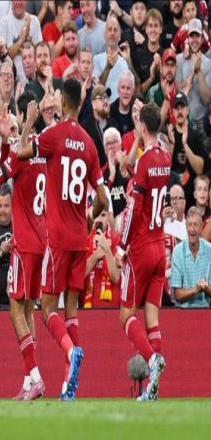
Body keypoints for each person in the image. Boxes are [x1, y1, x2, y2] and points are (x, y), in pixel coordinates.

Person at [17, 78, 108, 400]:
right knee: (72, 310)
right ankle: (70, 384)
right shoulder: (89, 143)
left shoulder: (53, 135)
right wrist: (89, 216)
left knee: (46, 309)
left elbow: (21, 153)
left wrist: (28, 125)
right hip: (80, 238)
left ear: (64, 103)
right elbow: (103, 198)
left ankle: (71, 351)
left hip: (56, 238)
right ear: (80, 103)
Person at [0, 92, 47, 399]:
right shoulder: (41, 148)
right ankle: (28, 380)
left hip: (24, 241)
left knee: (14, 310)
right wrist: (8, 142)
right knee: (29, 310)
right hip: (43, 240)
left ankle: (35, 375)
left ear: (22, 116)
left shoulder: (24, 150)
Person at [115, 103, 171, 402]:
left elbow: (135, 207)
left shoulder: (146, 161)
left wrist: (121, 246)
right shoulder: (164, 157)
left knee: (126, 315)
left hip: (141, 247)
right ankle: (152, 389)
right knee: (152, 319)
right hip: (160, 246)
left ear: (143, 127)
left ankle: (152, 359)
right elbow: (143, 179)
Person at [168, 91, 206, 206]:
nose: (180, 111)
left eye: (182, 107)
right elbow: (164, 169)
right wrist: (171, 144)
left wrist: (185, 144)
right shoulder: (168, 134)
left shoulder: (196, 135)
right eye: (176, 108)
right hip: (171, 199)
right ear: (172, 111)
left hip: (191, 200)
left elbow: (200, 170)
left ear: (188, 110)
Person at [175, 18, 211, 138]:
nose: (194, 40)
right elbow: (177, 92)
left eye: (197, 36)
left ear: (202, 39)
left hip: (201, 125)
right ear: (187, 38)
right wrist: (192, 73)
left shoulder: (209, 64)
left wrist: (199, 71)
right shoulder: (179, 60)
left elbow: (206, 99)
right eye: (192, 36)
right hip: (181, 122)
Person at [171, 207, 211, 307]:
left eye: (195, 225)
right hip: (183, 311)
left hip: (206, 310)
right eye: (189, 225)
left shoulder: (209, 250)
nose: (192, 229)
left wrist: (206, 288)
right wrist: (196, 289)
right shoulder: (178, 251)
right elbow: (177, 295)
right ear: (186, 227)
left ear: (201, 227)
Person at [83, 209, 121, 309]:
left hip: (112, 307)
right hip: (87, 308)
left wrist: (107, 250)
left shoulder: (118, 239)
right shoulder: (84, 240)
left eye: (103, 215)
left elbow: (116, 277)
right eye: (96, 215)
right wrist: (95, 256)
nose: (99, 219)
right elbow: (78, 276)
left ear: (108, 216)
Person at [0, 1, 42, 84]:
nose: (19, 2)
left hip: (34, 77)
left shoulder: (34, 21)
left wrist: (29, 40)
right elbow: (3, 57)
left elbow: (40, 54)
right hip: (12, 79)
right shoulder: (3, 22)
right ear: (11, 2)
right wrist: (21, 40)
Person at [81, 84, 119, 169]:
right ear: (93, 104)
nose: (105, 101)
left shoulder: (114, 124)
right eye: (101, 98)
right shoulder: (85, 128)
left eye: (106, 98)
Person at [93, 15, 129, 104]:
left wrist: (129, 61)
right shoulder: (96, 59)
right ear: (105, 35)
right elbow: (96, 90)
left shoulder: (124, 62)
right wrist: (107, 67)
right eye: (109, 29)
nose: (112, 33)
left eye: (115, 30)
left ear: (119, 36)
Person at [132, 9, 164, 95]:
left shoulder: (166, 55)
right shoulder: (137, 55)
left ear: (161, 29)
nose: (153, 30)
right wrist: (151, 78)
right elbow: (136, 92)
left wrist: (161, 69)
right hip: (143, 102)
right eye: (150, 26)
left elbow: (171, 89)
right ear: (146, 29)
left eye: (156, 26)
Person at [109, 70, 135, 136]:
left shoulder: (137, 110)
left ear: (133, 91)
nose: (125, 92)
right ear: (118, 90)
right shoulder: (110, 111)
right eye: (122, 87)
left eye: (128, 88)